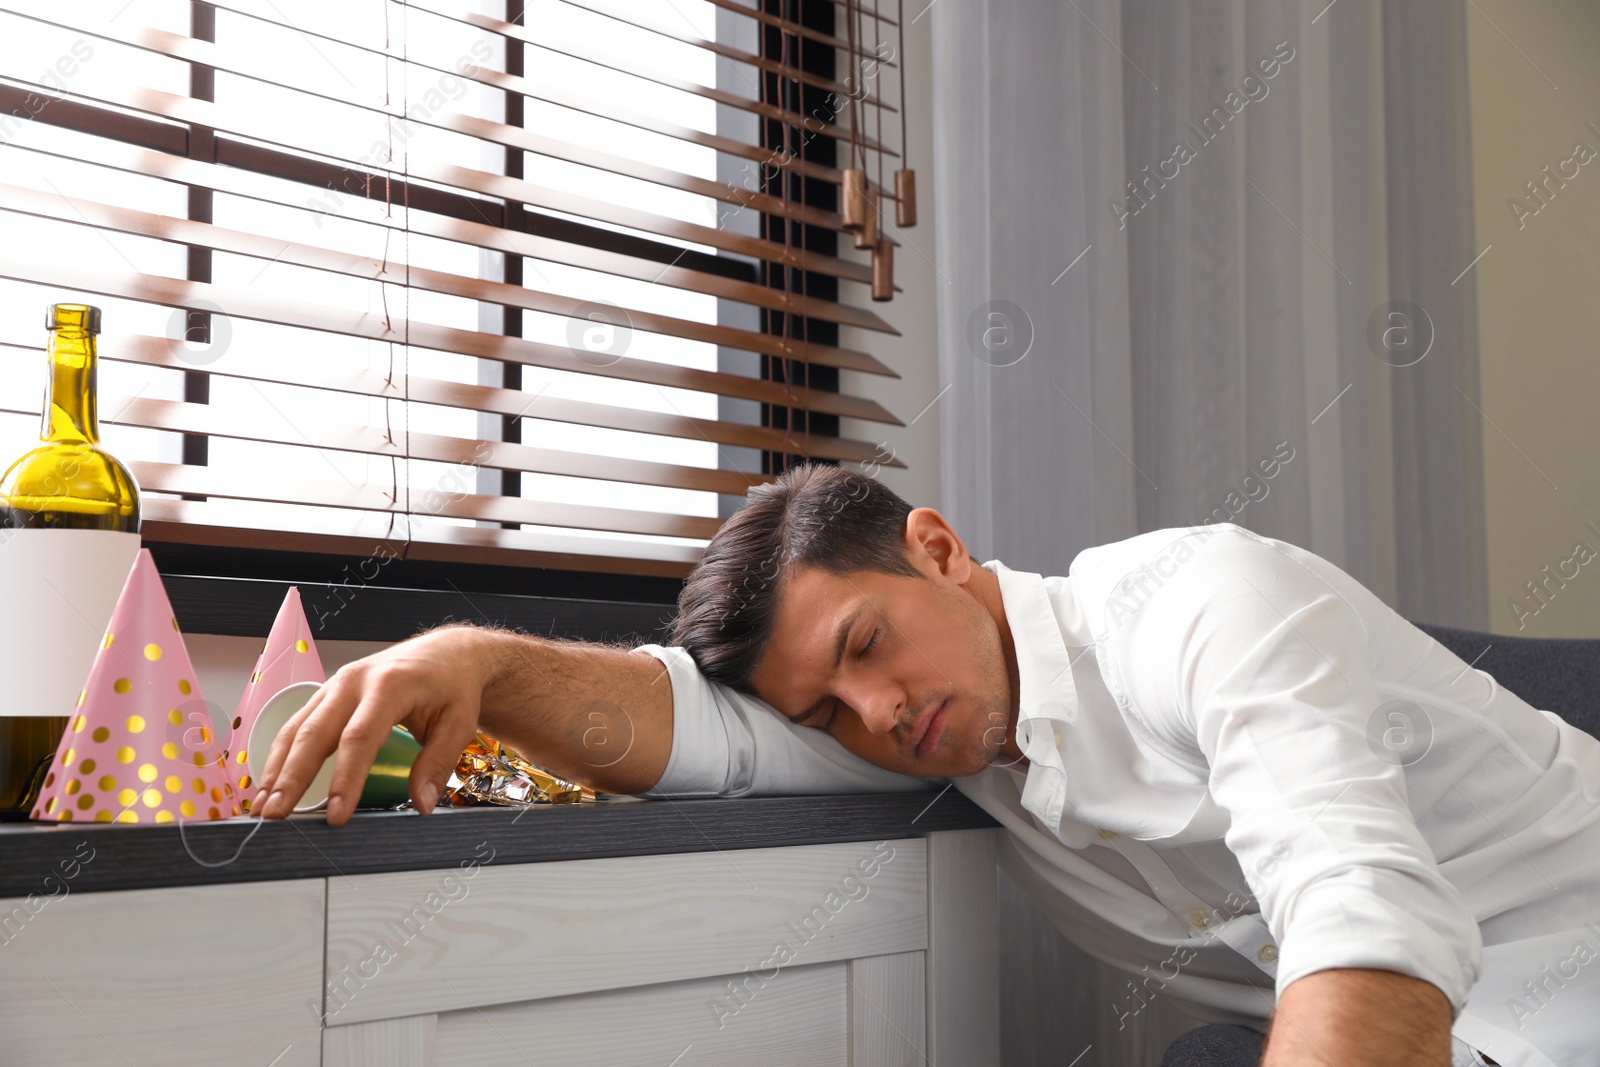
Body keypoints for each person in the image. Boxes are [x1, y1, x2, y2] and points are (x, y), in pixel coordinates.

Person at [251, 464, 1600, 1067]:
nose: (872, 715)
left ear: (941, 549)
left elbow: (1364, 920)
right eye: (826, 710)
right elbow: (692, 727)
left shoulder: (1205, 603)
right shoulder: (953, 729)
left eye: (867, 643)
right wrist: (473, 661)